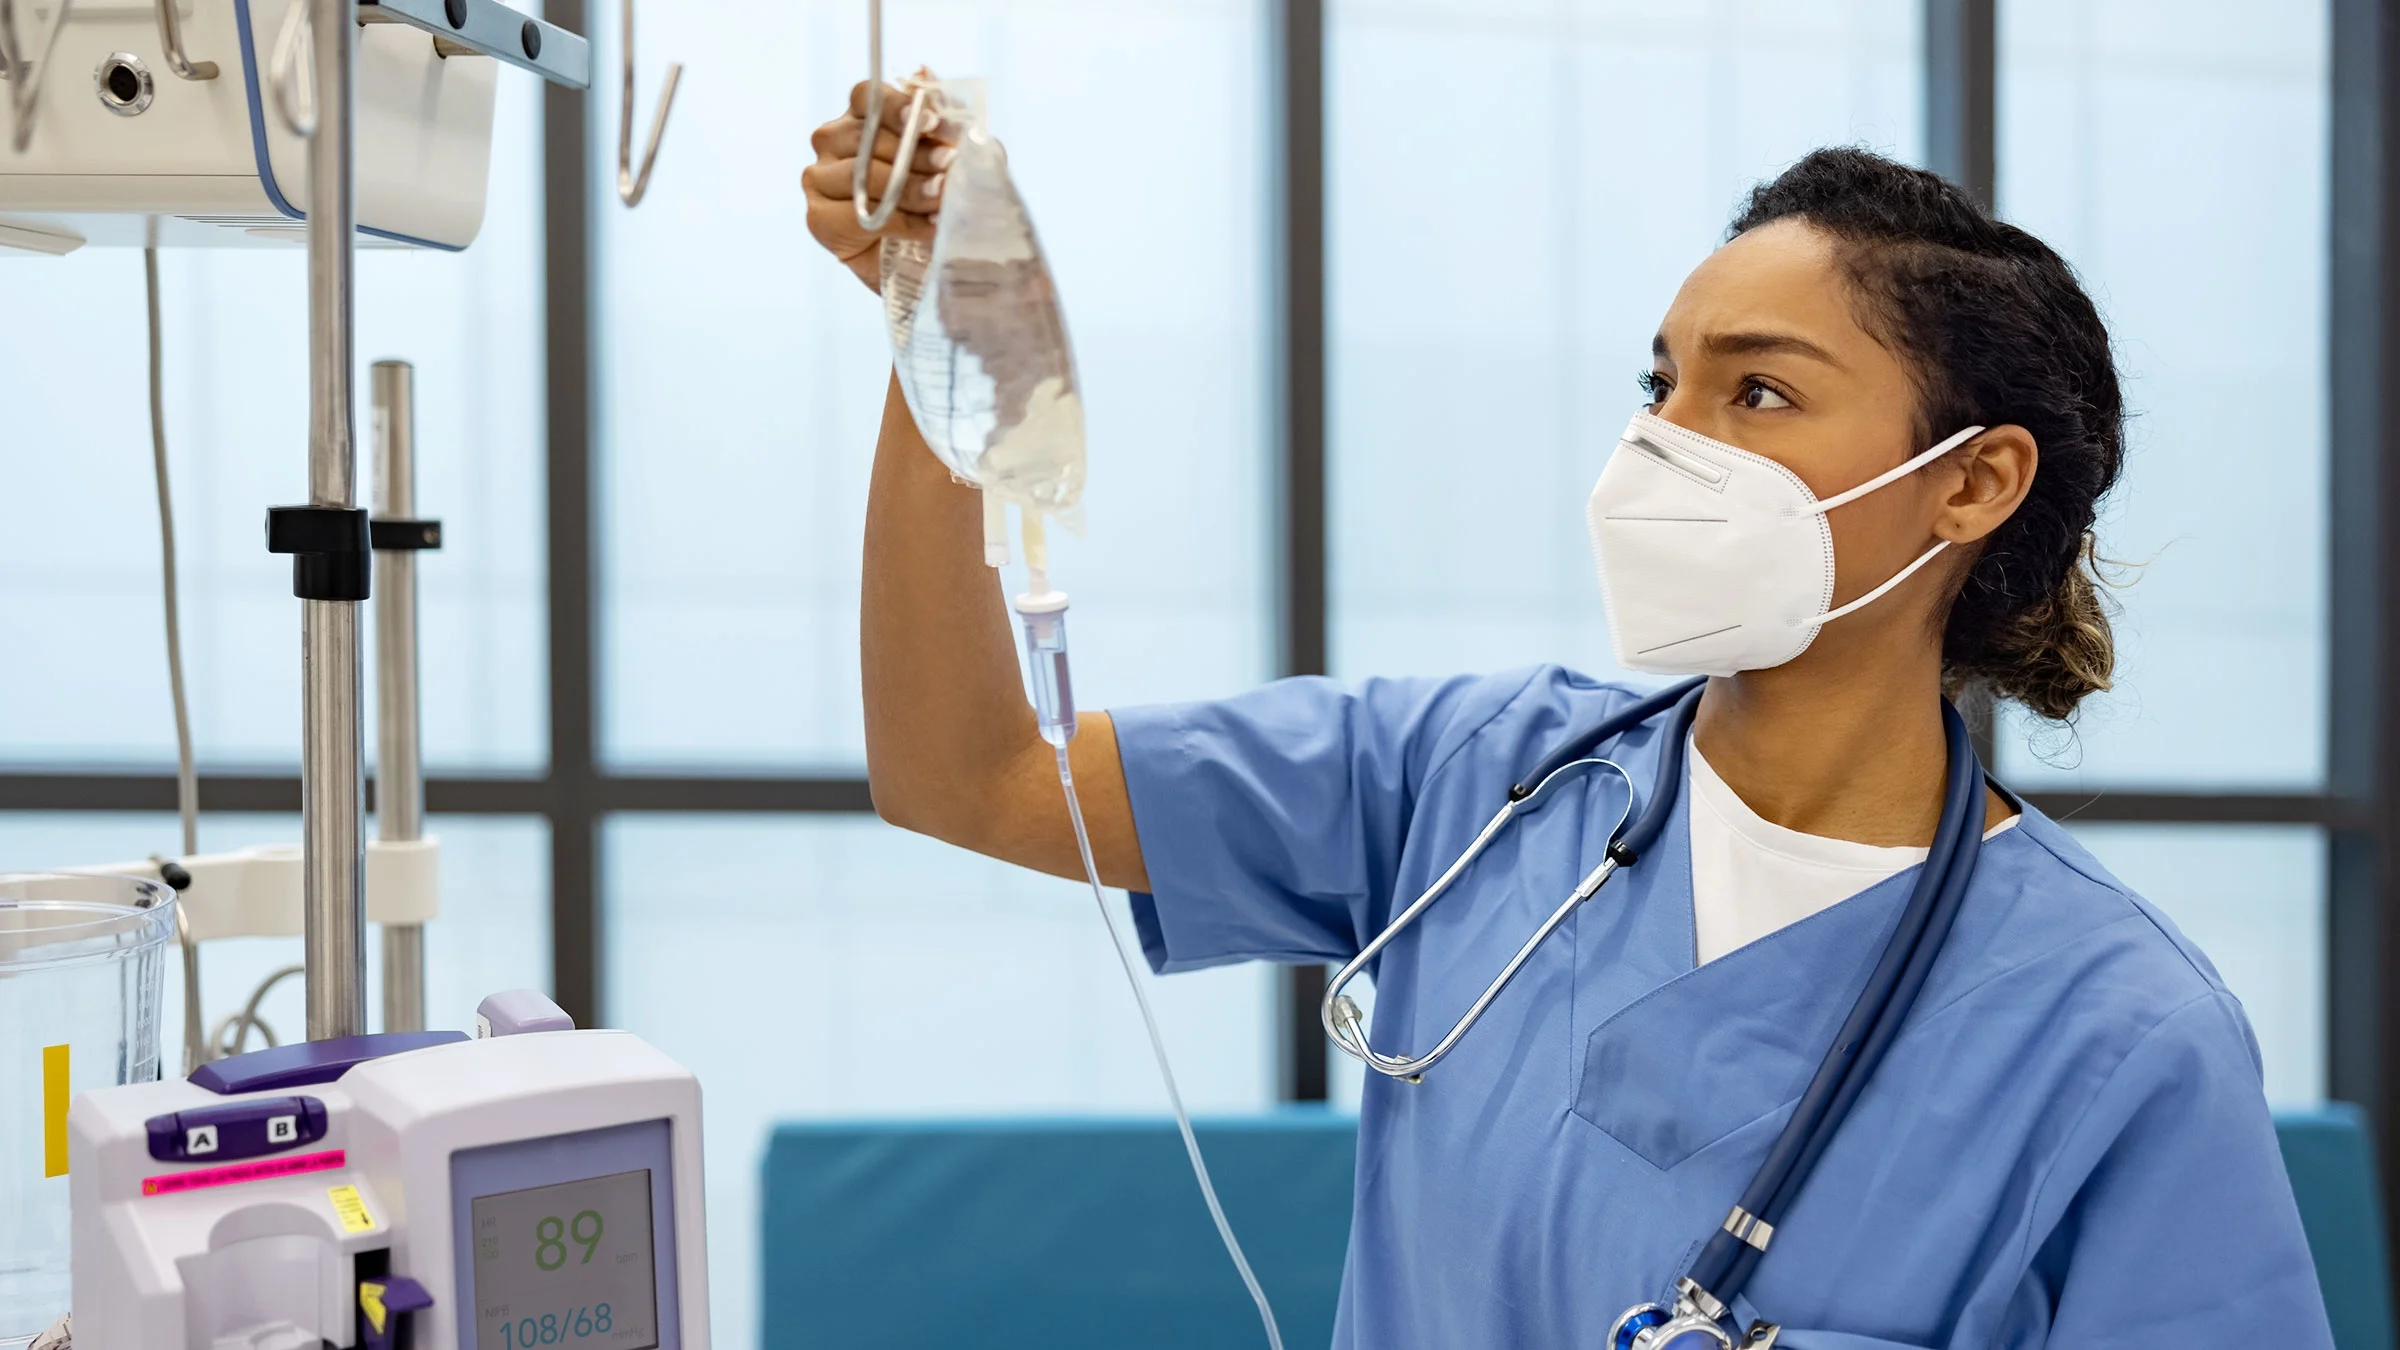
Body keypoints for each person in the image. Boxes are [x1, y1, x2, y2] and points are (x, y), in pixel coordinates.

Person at [802, 82, 2333, 1349]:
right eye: (1662, 382)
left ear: (1972, 483)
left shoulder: (2118, 1039)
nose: (1664, 446)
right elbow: (971, 773)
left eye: (1760, 396)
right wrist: (938, 323)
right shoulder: (1472, 777)